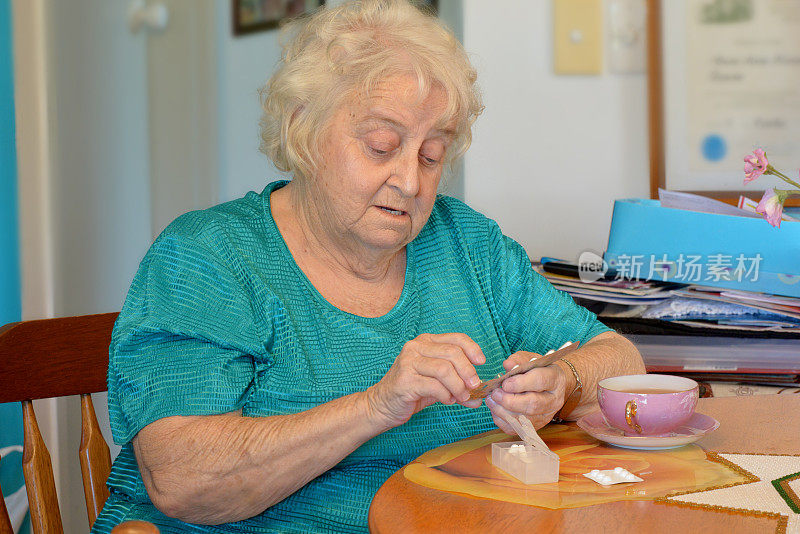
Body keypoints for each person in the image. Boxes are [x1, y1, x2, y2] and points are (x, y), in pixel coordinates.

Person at [92, 1, 645, 532]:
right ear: (303, 129)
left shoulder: (465, 243)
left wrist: (563, 384)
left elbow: (623, 363)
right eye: (381, 146)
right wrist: (378, 405)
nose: (410, 180)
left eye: (432, 155)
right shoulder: (209, 258)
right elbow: (185, 481)